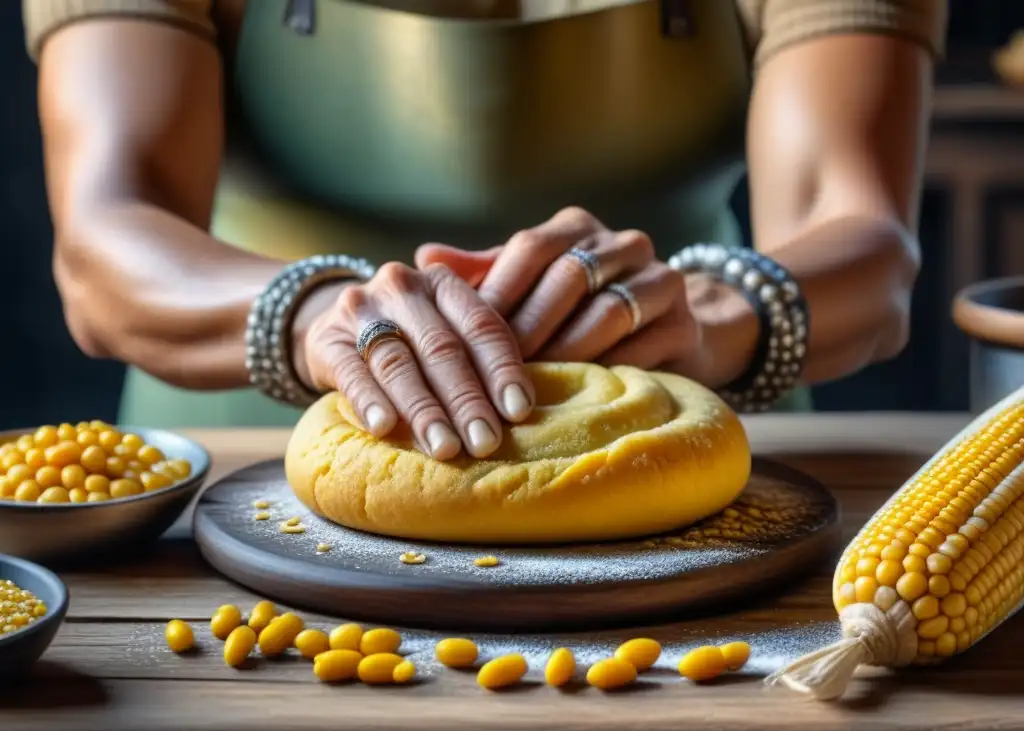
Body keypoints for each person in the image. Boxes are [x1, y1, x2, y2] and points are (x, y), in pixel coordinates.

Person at [24, 0, 947, 461]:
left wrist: (711, 313)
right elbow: (109, 234)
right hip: (247, 467)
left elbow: (860, 230)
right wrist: (319, 319)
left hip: (684, 445)